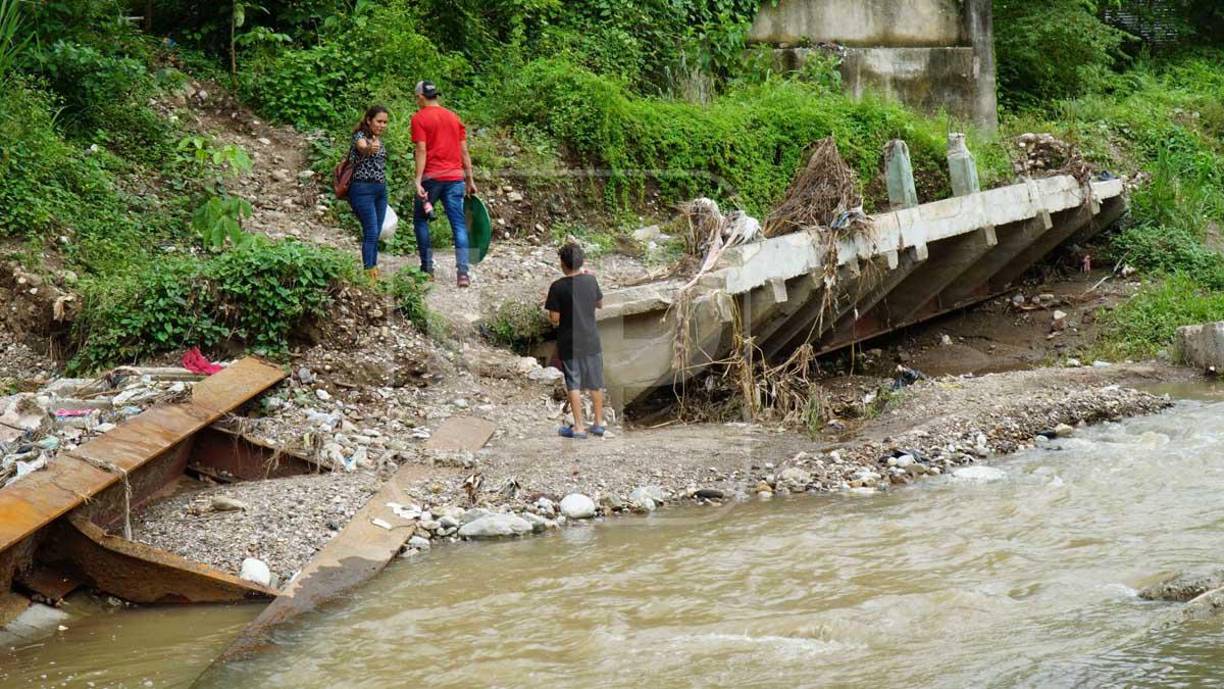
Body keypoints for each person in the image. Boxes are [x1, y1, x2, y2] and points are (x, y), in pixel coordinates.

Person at [411, 80, 478, 287]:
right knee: (458, 224)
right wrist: (470, 179)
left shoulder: (419, 118)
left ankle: (427, 270)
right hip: (455, 178)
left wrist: (418, 179)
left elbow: (421, 150)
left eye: (417, 98)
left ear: (421, 97)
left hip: (431, 178)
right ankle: (463, 274)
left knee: (421, 220)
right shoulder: (453, 117)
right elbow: (464, 151)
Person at [545, 243, 606, 439]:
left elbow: (554, 318)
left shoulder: (557, 287)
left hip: (569, 342)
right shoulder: (591, 281)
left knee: (574, 384)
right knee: (595, 383)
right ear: (582, 262)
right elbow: (600, 304)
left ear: (563, 264)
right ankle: (598, 424)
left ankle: (579, 427)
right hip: (591, 340)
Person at [347, 105, 390, 280]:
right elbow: (362, 148)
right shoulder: (360, 137)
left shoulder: (378, 139)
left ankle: (373, 269)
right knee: (371, 231)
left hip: (380, 190)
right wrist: (369, 148)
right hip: (362, 189)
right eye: (379, 121)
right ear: (368, 120)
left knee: (377, 231)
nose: (382, 125)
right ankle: (368, 272)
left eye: (385, 122)